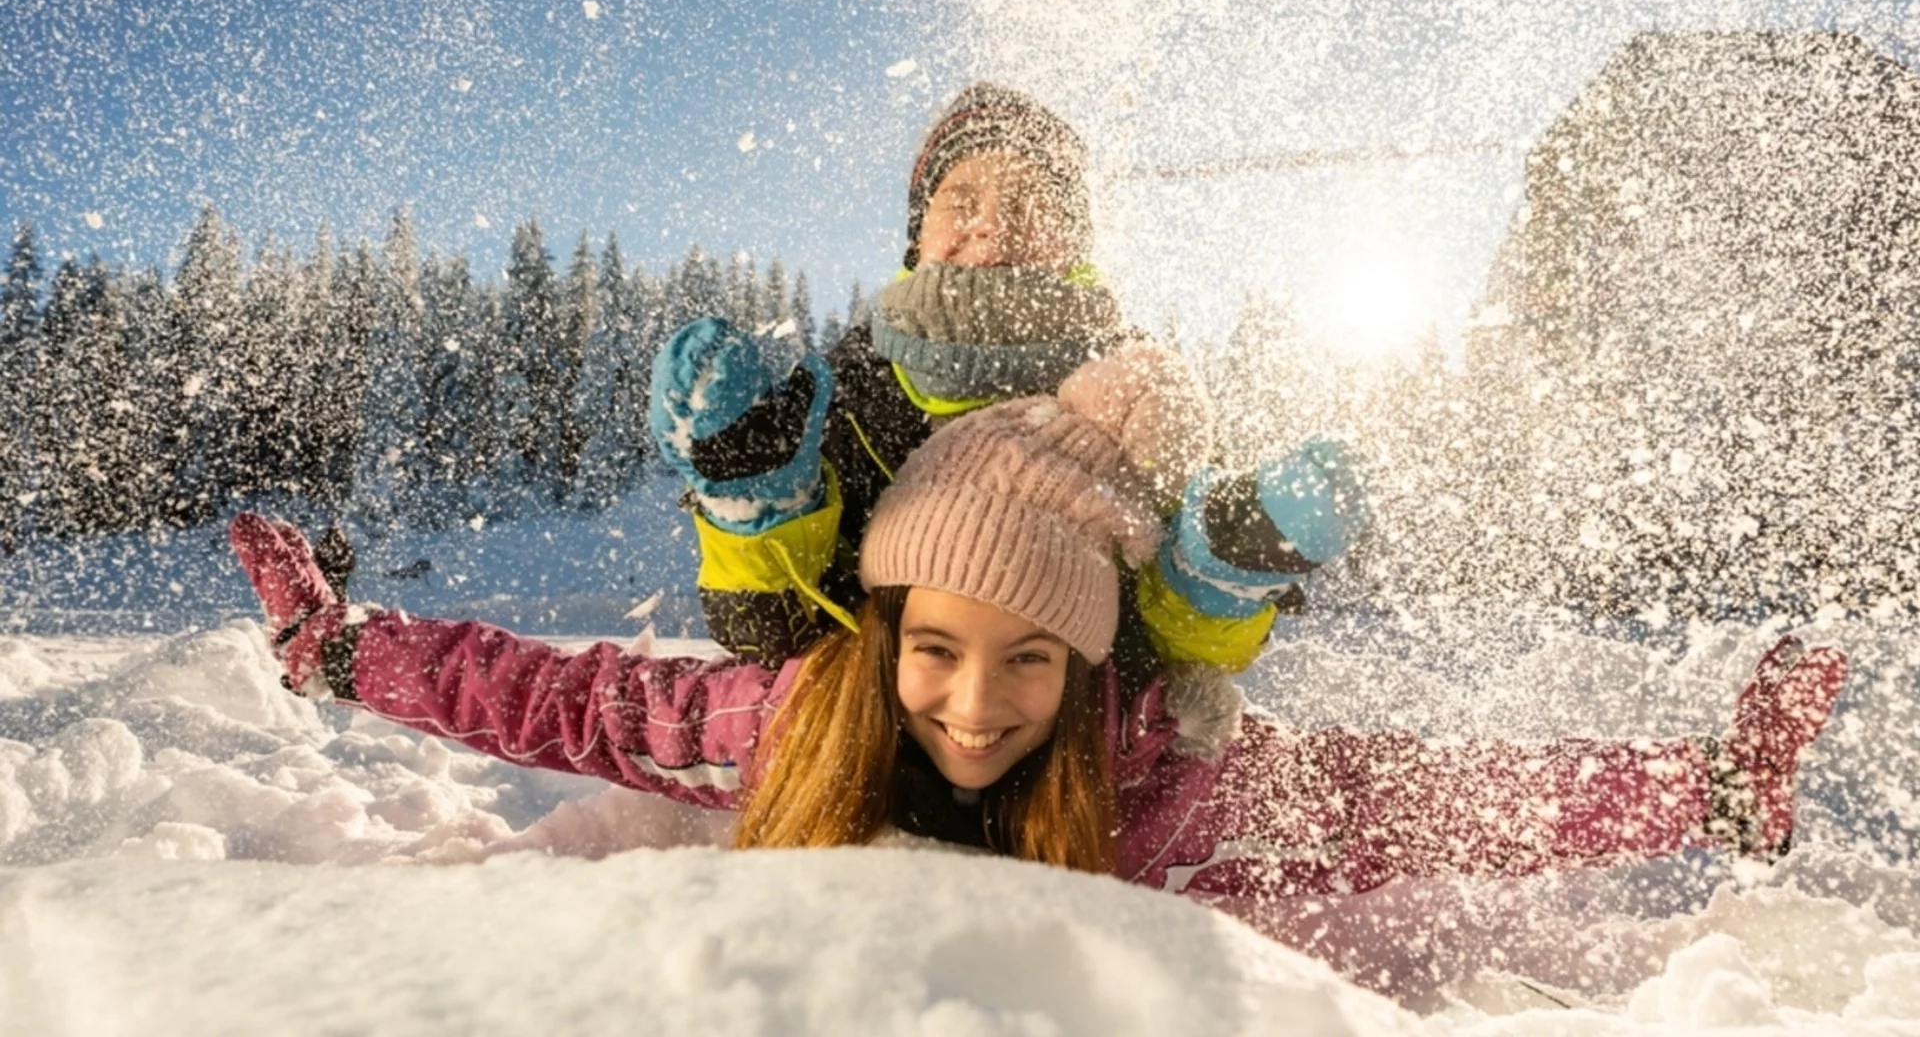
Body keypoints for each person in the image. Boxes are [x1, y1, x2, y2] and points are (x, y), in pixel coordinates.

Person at [230, 362, 1848, 923]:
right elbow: (565, 700)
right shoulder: (800, 722)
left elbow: (1436, 807)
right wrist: (338, 651)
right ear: (886, 633)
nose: (973, 704)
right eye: (935, 646)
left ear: (1093, 670)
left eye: (1031, 661)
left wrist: (1707, 787)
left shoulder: (1181, 783)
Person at [652, 82, 1368, 755]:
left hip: (1084, 770)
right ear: (918, 232)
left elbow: (1180, 660)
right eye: (960, 199)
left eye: (1031, 204)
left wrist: (1224, 570)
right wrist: (754, 509)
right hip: (867, 757)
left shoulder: (1141, 400)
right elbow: (769, 641)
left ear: (1074, 245)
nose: (991, 227)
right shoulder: (851, 391)